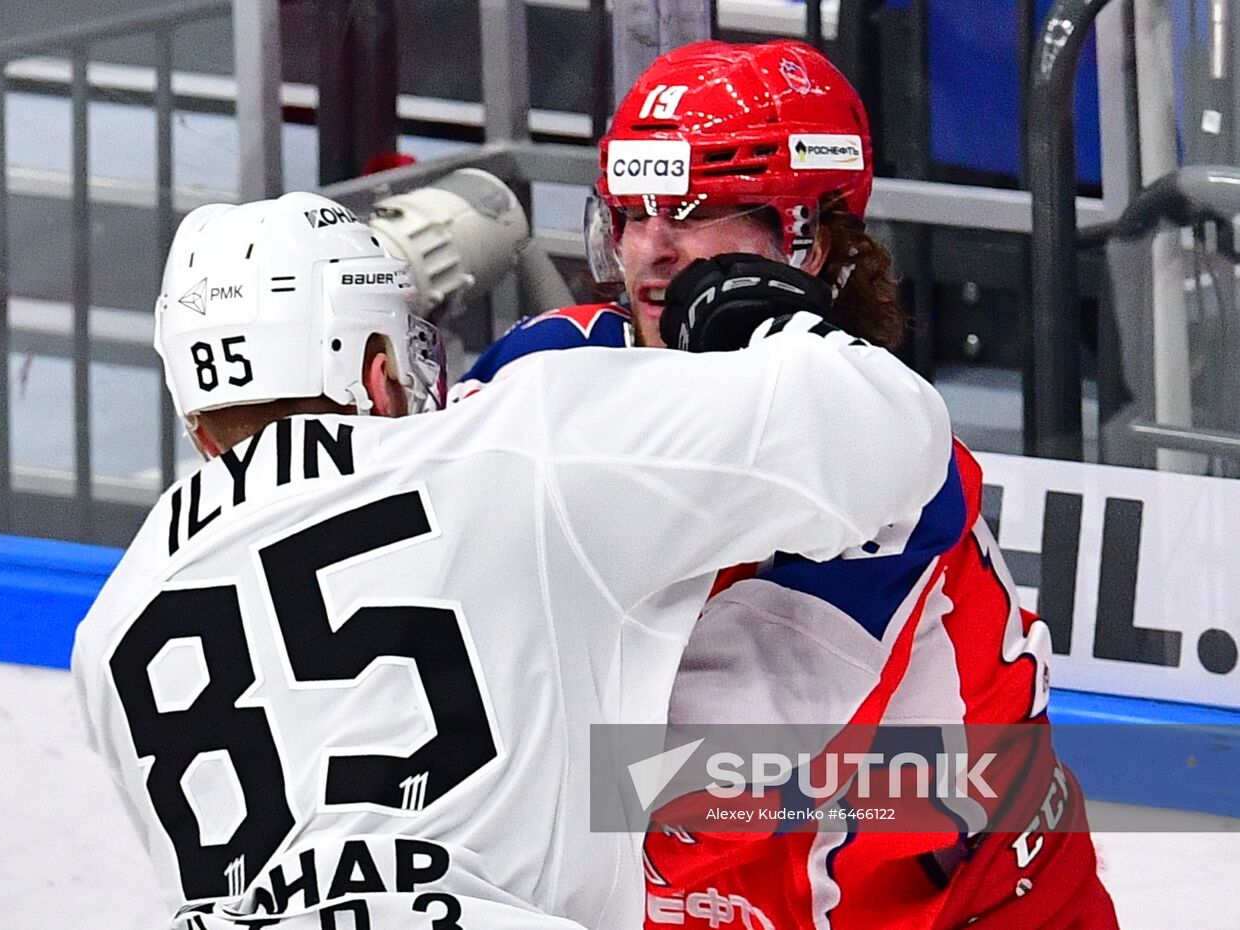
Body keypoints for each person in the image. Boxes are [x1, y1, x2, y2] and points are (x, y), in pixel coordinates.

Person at [71, 189, 951, 929]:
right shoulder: (511, 447)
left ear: (196, 415)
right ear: (377, 370)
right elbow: (890, 435)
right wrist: (775, 325)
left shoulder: (110, 626)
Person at [452, 39, 1119, 930]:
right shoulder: (545, 365)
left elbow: (712, 789)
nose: (650, 249)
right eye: (630, 210)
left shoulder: (882, 465)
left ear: (807, 233)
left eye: (692, 209)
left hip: (970, 895)